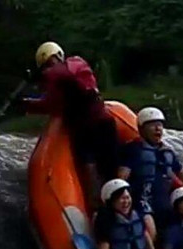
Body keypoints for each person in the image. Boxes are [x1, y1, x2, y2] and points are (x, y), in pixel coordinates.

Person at [21, 41, 117, 205]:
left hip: (93, 127)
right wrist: (29, 103)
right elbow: (55, 102)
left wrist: (31, 100)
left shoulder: (64, 69)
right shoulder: (67, 72)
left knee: (99, 167)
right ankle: (106, 203)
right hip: (94, 126)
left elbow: (58, 93)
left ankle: (106, 203)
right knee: (99, 168)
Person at [118, 107, 183, 243]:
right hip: (142, 202)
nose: (158, 129)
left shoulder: (167, 152)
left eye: (160, 125)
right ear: (142, 129)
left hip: (164, 202)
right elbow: (122, 178)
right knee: (151, 231)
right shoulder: (133, 150)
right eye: (153, 125)